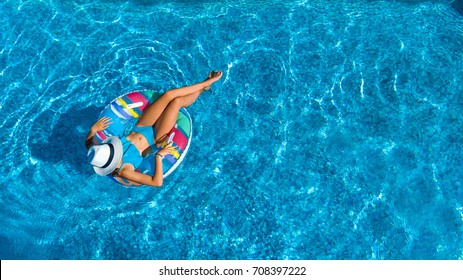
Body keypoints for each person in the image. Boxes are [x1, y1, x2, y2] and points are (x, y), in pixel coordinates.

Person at [86, 71, 223, 187]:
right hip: (156, 138)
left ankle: (204, 83)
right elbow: (157, 182)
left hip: (141, 126)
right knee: (176, 103)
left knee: (168, 95)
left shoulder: (103, 150)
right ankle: (203, 87)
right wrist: (159, 156)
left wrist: (93, 130)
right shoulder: (124, 172)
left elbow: (88, 145)